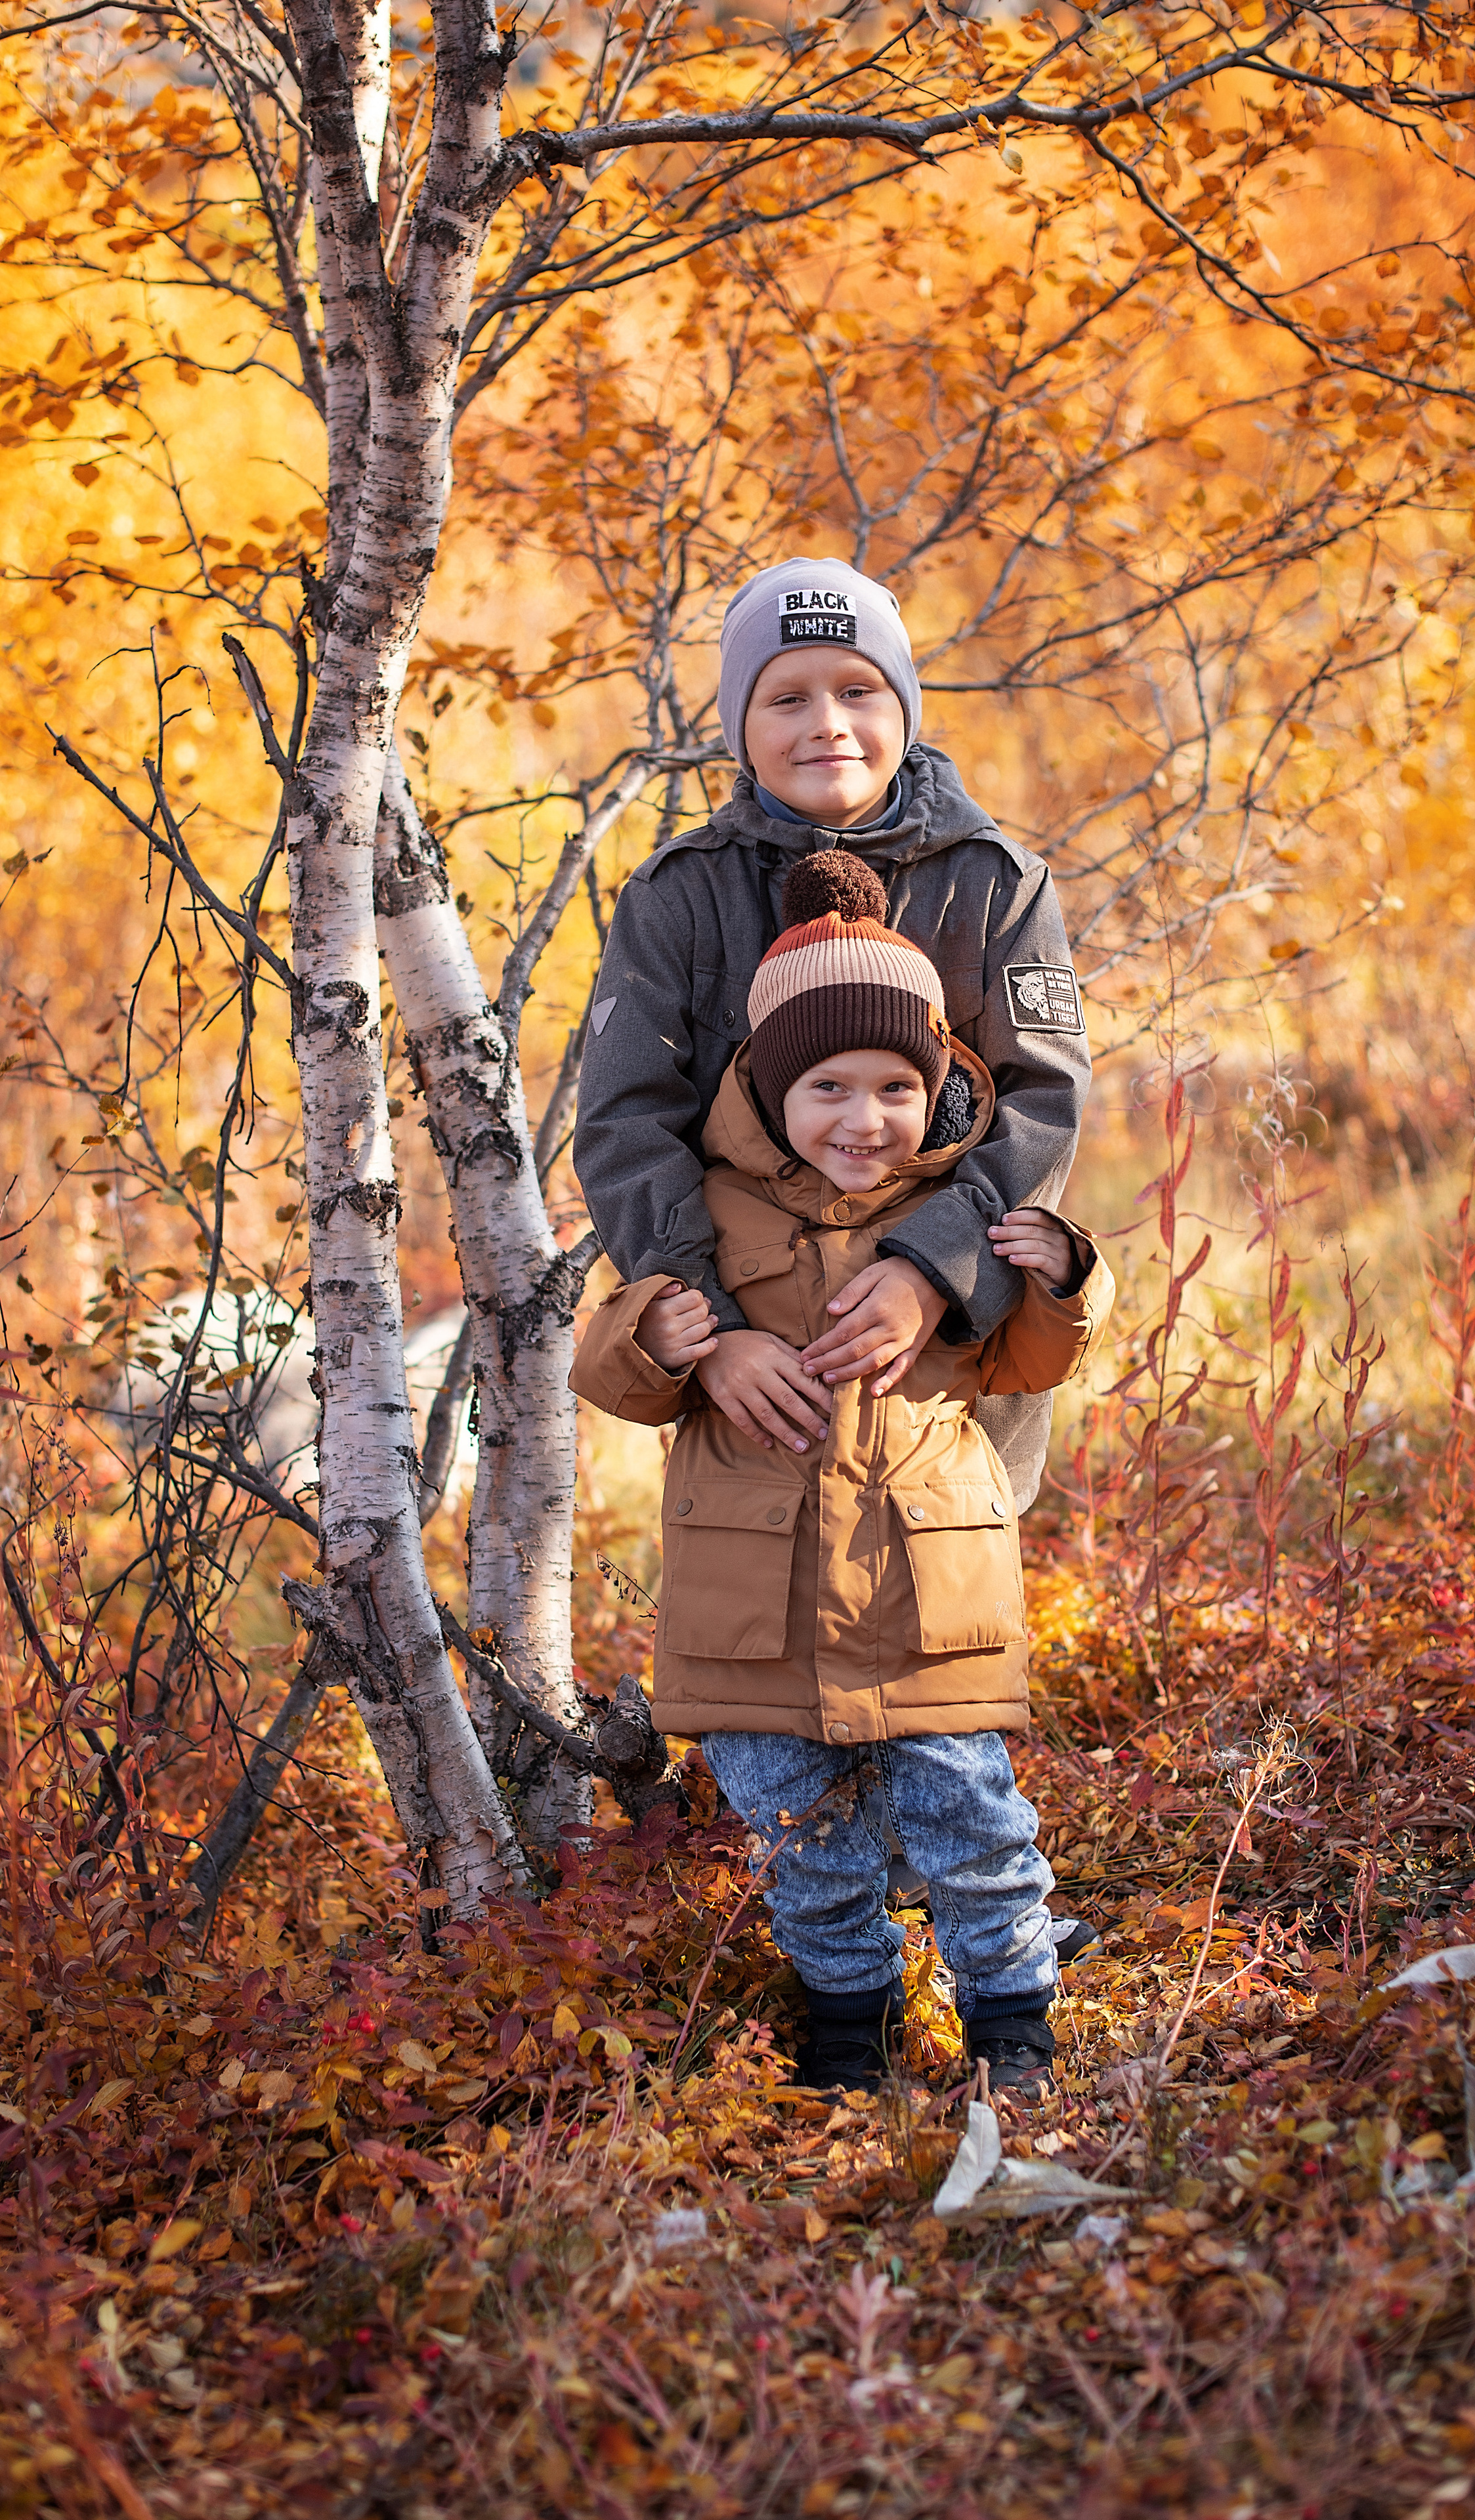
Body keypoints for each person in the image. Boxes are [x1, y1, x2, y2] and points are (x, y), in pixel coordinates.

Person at [570, 853, 1115, 2097]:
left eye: (894, 1088)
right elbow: (617, 1369)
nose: (862, 1119)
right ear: (767, 1089)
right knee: (806, 1843)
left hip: (929, 1607)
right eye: (826, 1087)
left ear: (939, 1095)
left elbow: (1031, 1363)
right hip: (751, 1616)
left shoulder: (956, 1226)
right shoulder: (702, 1217)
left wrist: (1064, 1276)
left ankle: (1013, 2021)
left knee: (975, 1828)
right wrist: (662, 1337)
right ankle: (846, 2024)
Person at [572, 554, 1091, 1516]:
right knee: (752, 1630)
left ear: (904, 705)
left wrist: (936, 1271)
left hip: (949, 1375)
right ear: (740, 727)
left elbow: (1043, 1100)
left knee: (948, 1622)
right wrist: (712, 1327)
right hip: (760, 1380)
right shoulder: (681, 896)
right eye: (787, 699)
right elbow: (624, 1121)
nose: (827, 725)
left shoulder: (995, 883)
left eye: (859, 689)